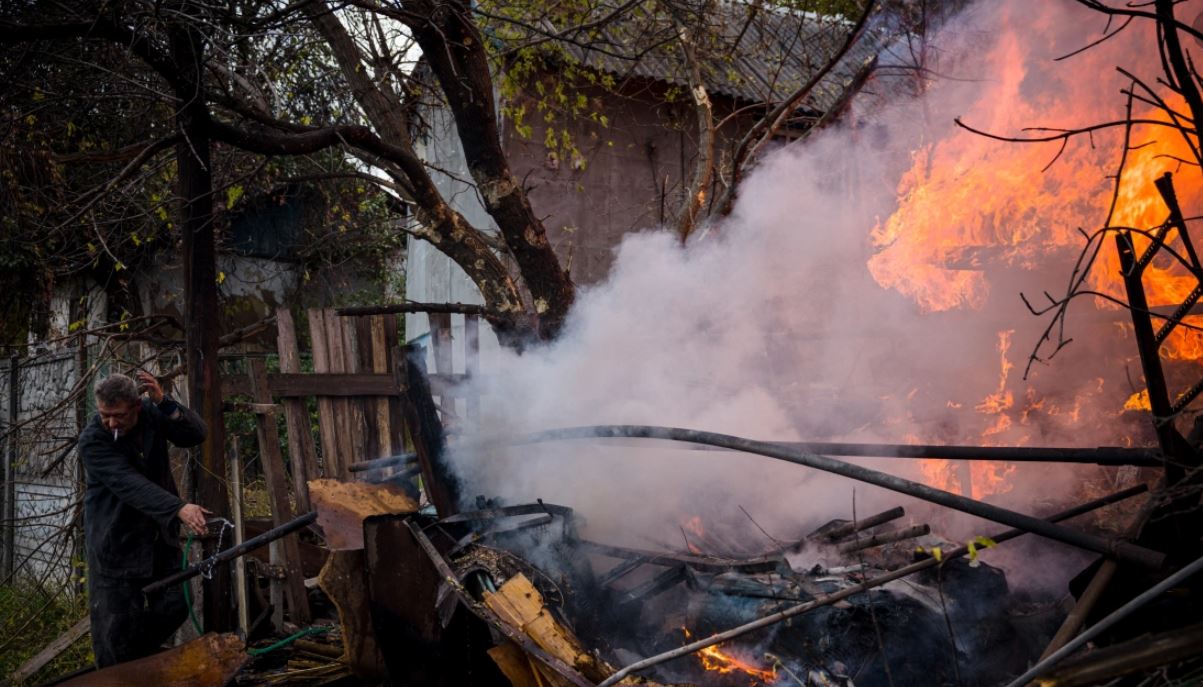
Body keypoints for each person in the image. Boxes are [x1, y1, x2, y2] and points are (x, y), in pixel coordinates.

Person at [79, 370, 210, 667]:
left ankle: (133, 660)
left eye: (118, 416)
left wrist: (165, 403)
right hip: (115, 543)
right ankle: (116, 674)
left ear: (136, 406)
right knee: (115, 629)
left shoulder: (151, 414)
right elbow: (129, 484)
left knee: (177, 603)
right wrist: (178, 507)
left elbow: (195, 434)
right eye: (104, 415)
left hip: (157, 539)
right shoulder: (93, 441)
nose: (111, 423)